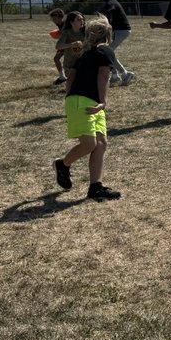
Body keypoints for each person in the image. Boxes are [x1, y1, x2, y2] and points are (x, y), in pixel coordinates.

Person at [53, 15, 121, 202]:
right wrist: (103, 102)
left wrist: (69, 98)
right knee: (90, 144)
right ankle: (63, 164)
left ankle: (95, 187)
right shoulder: (105, 51)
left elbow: (71, 77)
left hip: (83, 101)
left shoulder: (85, 52)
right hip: (85, 101)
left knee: (101, 144)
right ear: (108, 34)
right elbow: (103, 77)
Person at [100, 0, 135, 86]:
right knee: (108, 52)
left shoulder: (110, 3)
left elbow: (109, 17)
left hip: (122, 30)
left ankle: (124, 74)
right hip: (120, 30)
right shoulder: (111, 1)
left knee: (107, 53)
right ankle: (115, 76)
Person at [54, 11, 86, 82]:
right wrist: (71, 44)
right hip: (70, 65)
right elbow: (58, 46)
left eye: (82, 19)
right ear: (71, 22)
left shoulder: (86, 32)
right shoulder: (66, 32)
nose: (82, 21)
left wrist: (84, 44)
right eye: (79, 20)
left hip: (83, 63)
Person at [48, 9, 67, 84]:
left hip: (68, 45)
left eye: (54, 19)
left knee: (70, 63)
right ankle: (62, 77)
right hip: (64, 45)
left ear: (60, 17)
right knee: (56, 59)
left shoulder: (65, 24)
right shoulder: (59, 24)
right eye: (52, 19)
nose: (53, 20)